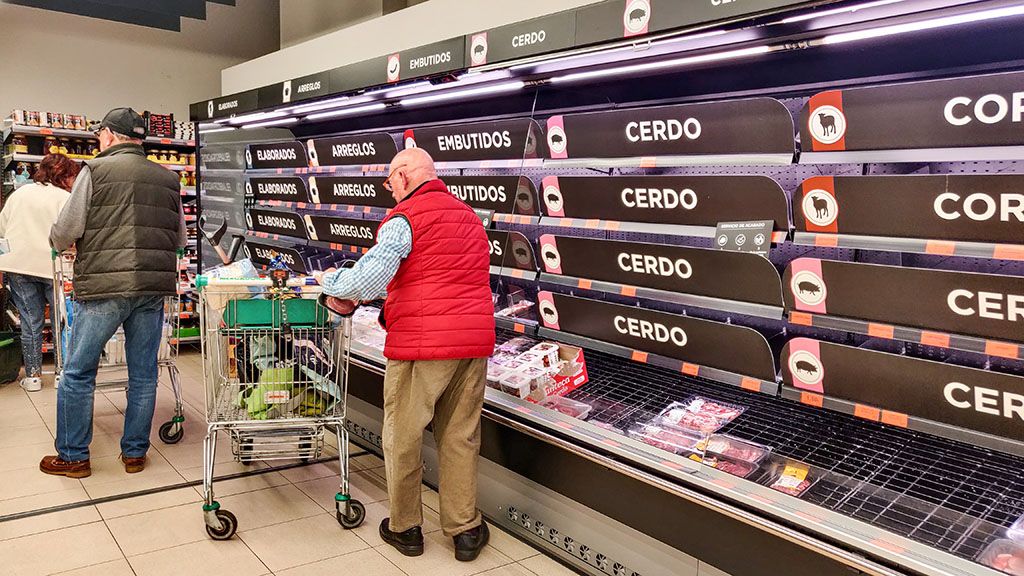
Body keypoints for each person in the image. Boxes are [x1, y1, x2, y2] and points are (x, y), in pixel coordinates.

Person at [317, 148, 495, 561]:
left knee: (403, 434)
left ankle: (406, 528)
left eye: (388, 182)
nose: (389, 190)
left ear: (401, 176)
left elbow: (370, 277)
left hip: (422, 345)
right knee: (460, 435)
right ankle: (465, 529)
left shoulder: (405, 219)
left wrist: (333, 280)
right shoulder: (469, 217)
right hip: (471, 344)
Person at [40, 108, 187, 479]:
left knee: (76, 372)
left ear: (107, 135)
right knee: (143, 373)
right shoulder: (168, 179)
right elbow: (181, 240)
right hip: (152, 289)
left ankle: (74, 456)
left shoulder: (96, 171)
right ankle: (135, 453)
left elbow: (67, 228)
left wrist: (60, 241)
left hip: (105, 287)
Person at [0, 154, 78, 391]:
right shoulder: (65, 198)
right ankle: (60, 373)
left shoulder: (19, 194)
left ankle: (33, 376)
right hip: (54, 267)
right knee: (60, 321)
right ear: (63, 175)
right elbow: (72, 232)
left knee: (31, 323)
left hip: (19, 266)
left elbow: (2, 228)